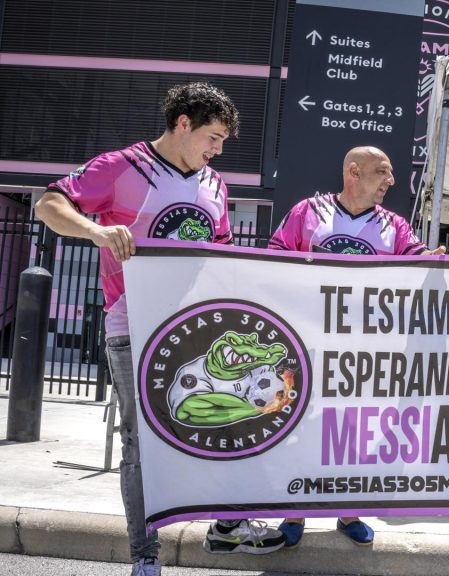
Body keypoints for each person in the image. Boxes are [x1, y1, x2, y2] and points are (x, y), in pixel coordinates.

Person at [34, 82, 286, 575]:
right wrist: (96, 230)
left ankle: (226, 528)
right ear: (183, 123)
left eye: (224, 142)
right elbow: (48, 206)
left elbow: (221, 253)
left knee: (232, 424)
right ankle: (144, 557)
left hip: (198, 329)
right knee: (140, 441)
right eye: (213, 137)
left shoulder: (215, 184)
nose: (218, 150)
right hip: (134, 326)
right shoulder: (122, 167)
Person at [268, 145, 445, 548]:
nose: (391, 181)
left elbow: (416, 260)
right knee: (304, 429)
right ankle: (295, 510)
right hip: (310, 348)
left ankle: (347, 510)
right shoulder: (307, 212)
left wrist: (432, 259)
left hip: (364, 356)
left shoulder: (394, 225)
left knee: (352, 435)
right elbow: (273, 257)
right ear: (354, 172)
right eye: (382, 172)